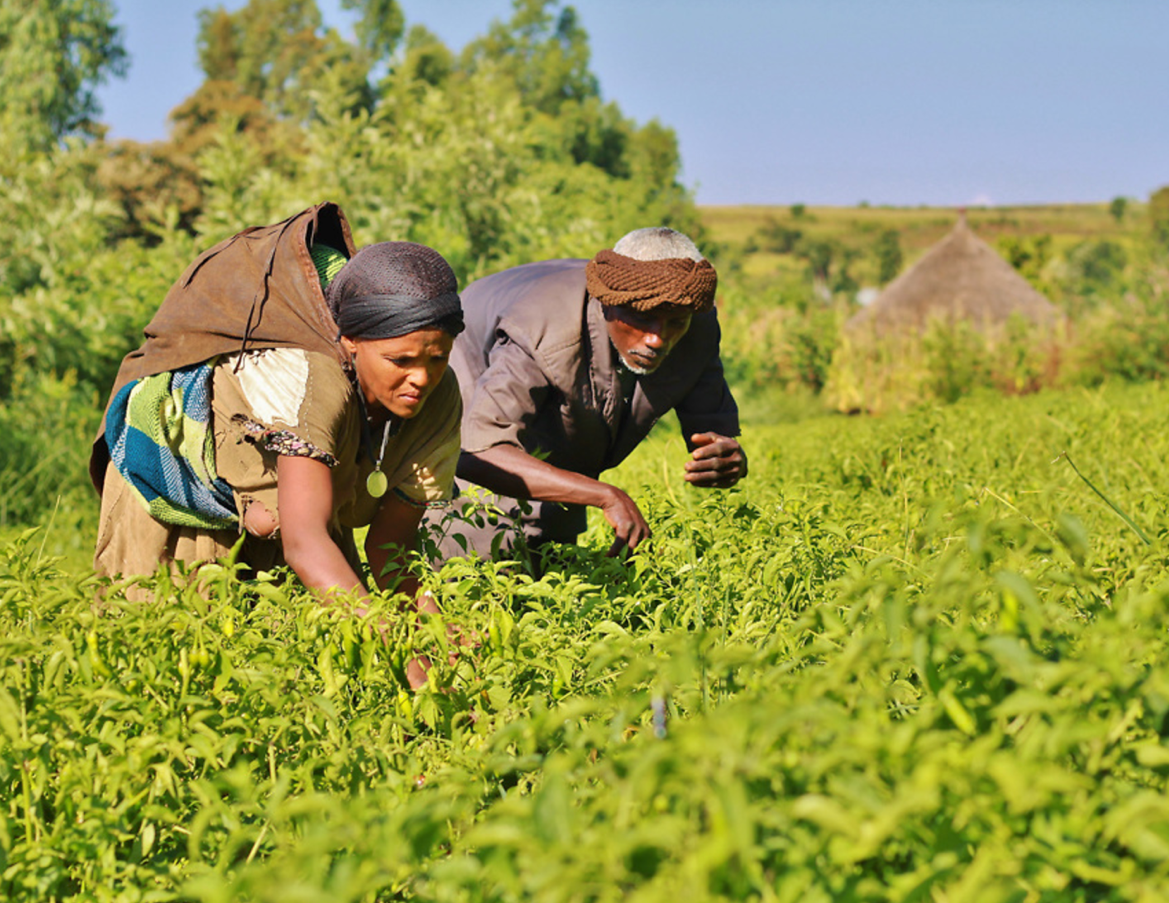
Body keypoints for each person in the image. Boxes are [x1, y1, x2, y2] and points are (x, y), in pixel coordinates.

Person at [91, 204, 464, 652]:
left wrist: (440, 646)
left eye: (437, 358)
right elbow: (305, 544)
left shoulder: (438, 398)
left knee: (321, 665)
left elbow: (391, 547)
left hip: (294, 521)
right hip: (187, 511)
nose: (421, 377)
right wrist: (401, 656)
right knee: (172, 664)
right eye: (400, 361)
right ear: (350, 343)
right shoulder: (309, 379)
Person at [427, 226, 748, 564]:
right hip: (471, 352)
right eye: (643, 317)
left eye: (674, 323)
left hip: (554, 349)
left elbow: (713, 429)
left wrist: (725, 459)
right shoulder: (541, 328)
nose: (657, 339)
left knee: (551, 556)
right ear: (609, 302)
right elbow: (480, 451)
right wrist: (606, 496)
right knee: (477, 534)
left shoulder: (694, 320)